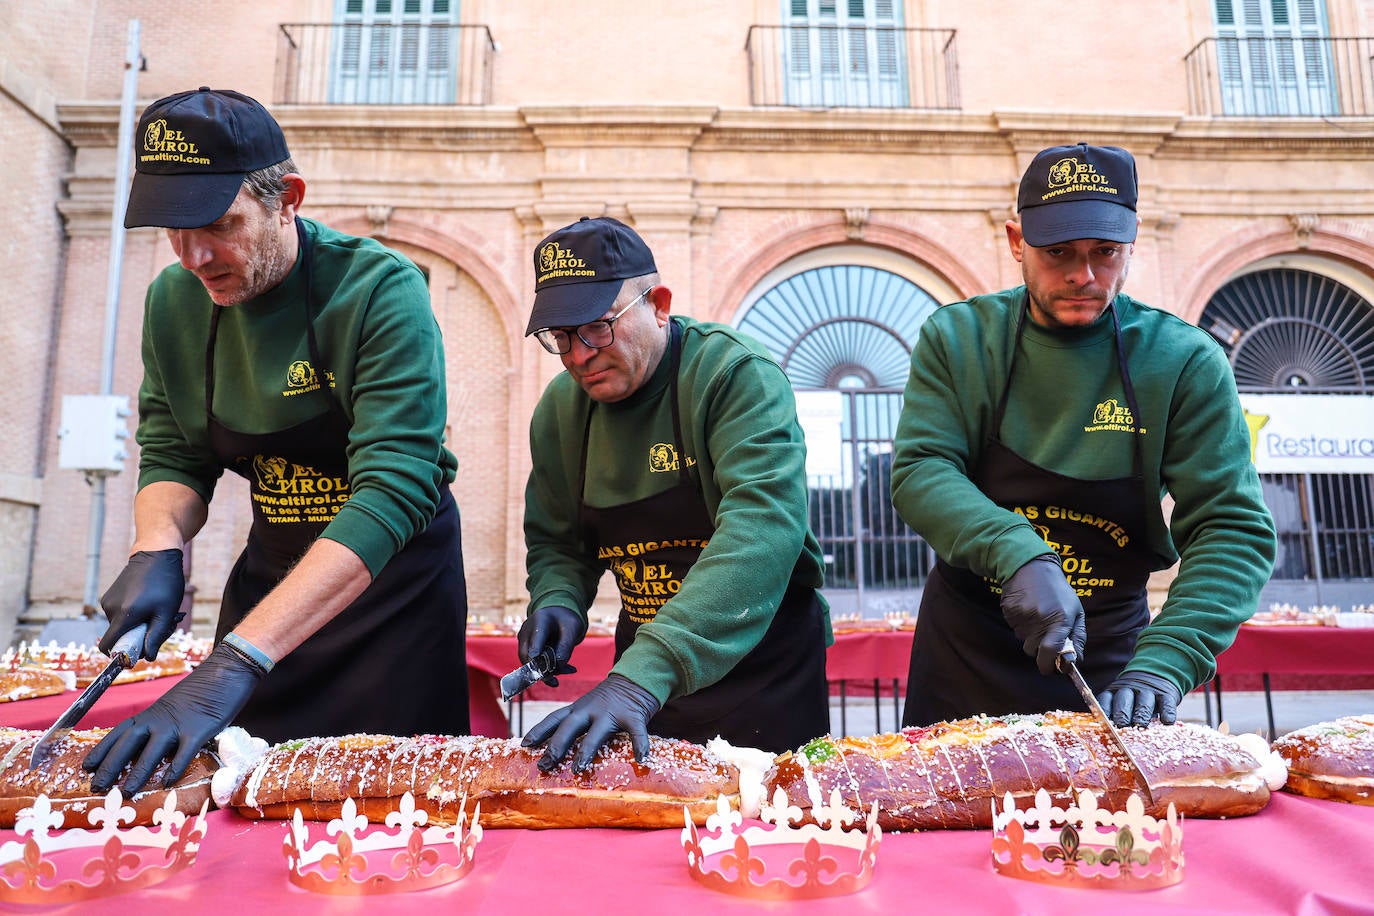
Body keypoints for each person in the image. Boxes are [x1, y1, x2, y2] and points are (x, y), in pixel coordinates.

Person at [83, 88, 469, 794]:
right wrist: (157, 547)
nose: (195, 256)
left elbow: (393, 487)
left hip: (395, 599)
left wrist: (235, 662)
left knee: (390, 810)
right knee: (241, 789)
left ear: (286, 198)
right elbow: (174, 448)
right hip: (273, 579)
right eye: (173, 231)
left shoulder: (378, 290)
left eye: (219, 225)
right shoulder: (174, 301)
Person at [890, 143, 1276, 730]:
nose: (1083, 275)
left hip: (1112, 662)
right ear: (1017, 241)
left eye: (1105, 252)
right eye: (1057, 252)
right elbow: (923, 471)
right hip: (966, 650)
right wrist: (1016, 552)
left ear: (1132, 242)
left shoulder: (1182, 360)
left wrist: (1168, 659)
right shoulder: (961, 338)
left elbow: (1231, 525)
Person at [517, 216, 832, 771]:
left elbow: (761, 532)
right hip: (644, 670)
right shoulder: (560, 412)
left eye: (596, 327)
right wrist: (557, 599)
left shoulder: (734, 376)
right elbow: (558, 539)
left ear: (658, 304)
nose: (577, 356)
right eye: (559, 337)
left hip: (762, 671)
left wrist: (640, 679)